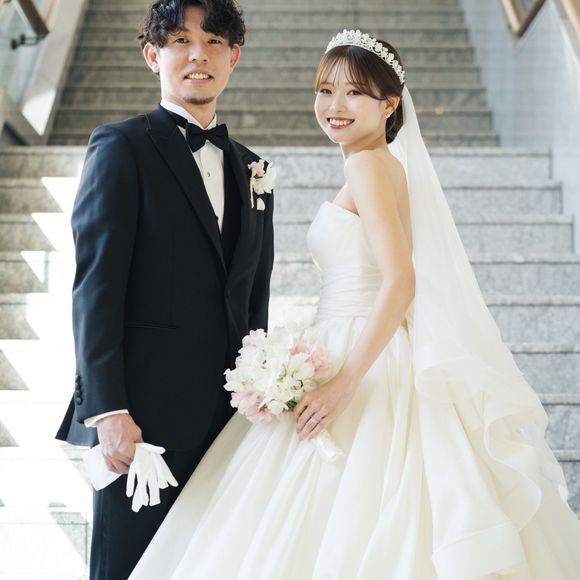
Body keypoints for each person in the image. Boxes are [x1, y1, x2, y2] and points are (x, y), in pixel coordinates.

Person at [129, 30, 580, 579]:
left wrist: (344, 382)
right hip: (356, 342)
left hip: (362, 358)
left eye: (355, 93)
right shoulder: (382, 164)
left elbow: (400, 280)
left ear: (389, 105)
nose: (334, 105)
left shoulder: (367, 166)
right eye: (326, 90)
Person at [55, 0, 274, 578]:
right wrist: (108, 410)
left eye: (213, 41)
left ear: (234, 56)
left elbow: (253, 297)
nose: (198, 54)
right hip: (141, 425)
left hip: (228, 426)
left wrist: (259, 399)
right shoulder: (121, 146)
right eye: (180, 41)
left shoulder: (253, 168)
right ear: (153, 56)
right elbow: (96, 286)